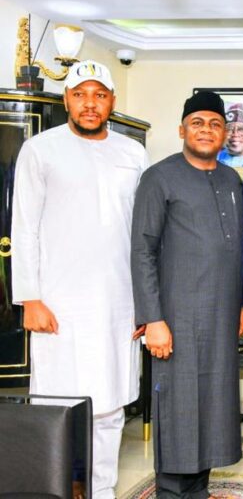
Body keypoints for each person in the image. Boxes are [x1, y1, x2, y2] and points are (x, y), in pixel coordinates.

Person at [11, 59, 148, 498]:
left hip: (118, 300)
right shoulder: (40, 150)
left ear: (112, 101)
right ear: (66, 99)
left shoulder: (133, 153)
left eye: (99, 95)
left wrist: (146, 303)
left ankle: (102, 490)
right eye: (80, 94)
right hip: (60, 303)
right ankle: (57, 487)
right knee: (61, 404)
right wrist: (30, 297)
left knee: (109, 406)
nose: (90, 104)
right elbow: (24, 227)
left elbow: (144, 232)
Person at [131, 91, 243, 498]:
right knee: (178, 416)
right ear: (182, 129)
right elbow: (142, 248)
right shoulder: (159, 178)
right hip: (175, 320)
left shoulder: (231, 180)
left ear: (225, 133)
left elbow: (238, 248)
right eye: (198, 123)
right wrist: (153, 319)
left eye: (215, 124)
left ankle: (198, 492)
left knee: (210, 414)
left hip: (219, 318)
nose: (207, 130)